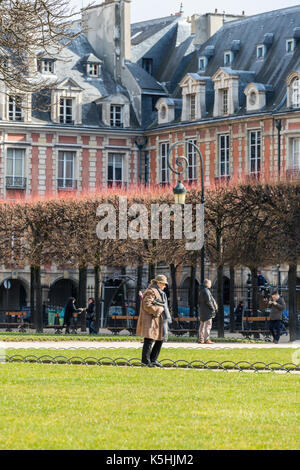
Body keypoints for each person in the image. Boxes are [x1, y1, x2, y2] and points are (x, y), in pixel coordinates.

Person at [136, 274, 172, 366]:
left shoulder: (159, 291)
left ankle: (153, 360)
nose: (165, 286)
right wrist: (159, 310)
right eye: (164, 284)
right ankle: (145, 361)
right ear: (158, 283)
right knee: (149, 340)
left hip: (158, 319)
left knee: (160, 339)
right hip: (151, 319)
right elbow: (147, 305)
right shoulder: (151, 291)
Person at [198, 279, 218, 344]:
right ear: (207, 284)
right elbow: (208, 301)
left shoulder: (201, 290)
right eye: (210, 283)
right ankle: (206, 339)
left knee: (202, 325)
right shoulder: (206, 291)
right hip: (207, 311)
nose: (210, 284)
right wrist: (212, 308)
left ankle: (201, 339)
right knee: (208, 325)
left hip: (202, 310)